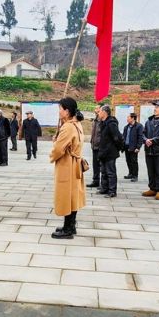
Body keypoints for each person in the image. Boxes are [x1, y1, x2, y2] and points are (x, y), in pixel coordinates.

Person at [49, 97, 86, 238]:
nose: (59, 111)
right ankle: (69, 225)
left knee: (67, 196)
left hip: (67, 165)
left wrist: (52, 155)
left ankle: (68, 229)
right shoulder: (76, 124)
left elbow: (59, 149)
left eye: (60, 108)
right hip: (75, 163)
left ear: (67, 111)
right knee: (73, 196)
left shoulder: (68, 127)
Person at [97, 105, 123, 198]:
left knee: (110, 172)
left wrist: (116, 148)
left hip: (110, 152)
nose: (98, 113)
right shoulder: (103, 122)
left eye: (99, 111)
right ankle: (104, 188)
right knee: (103, 171)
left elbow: (116, 137)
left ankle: (112, 191)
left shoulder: (111, 123)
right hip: (103, 152)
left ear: (104, 112)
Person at [122, 113, 143, 182]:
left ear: (133, 118)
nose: (127, 118)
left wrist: (138, 147)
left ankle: (135, 175)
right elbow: (124, 137)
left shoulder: (139, 126)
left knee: (134, 161)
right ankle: (130, 173)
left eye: (128, 117)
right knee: (128, 161)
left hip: (133, 147)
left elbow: (140, 137)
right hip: (126, 146)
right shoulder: (126, 127)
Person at [86, 104, 103, 188]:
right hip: (94, 146)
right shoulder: (95, 120)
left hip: (101, 147)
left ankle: (103, 183)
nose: (95, 109)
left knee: (102, 166)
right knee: (95, 165)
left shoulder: (103, 121)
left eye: (97, 108)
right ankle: (95, 181)